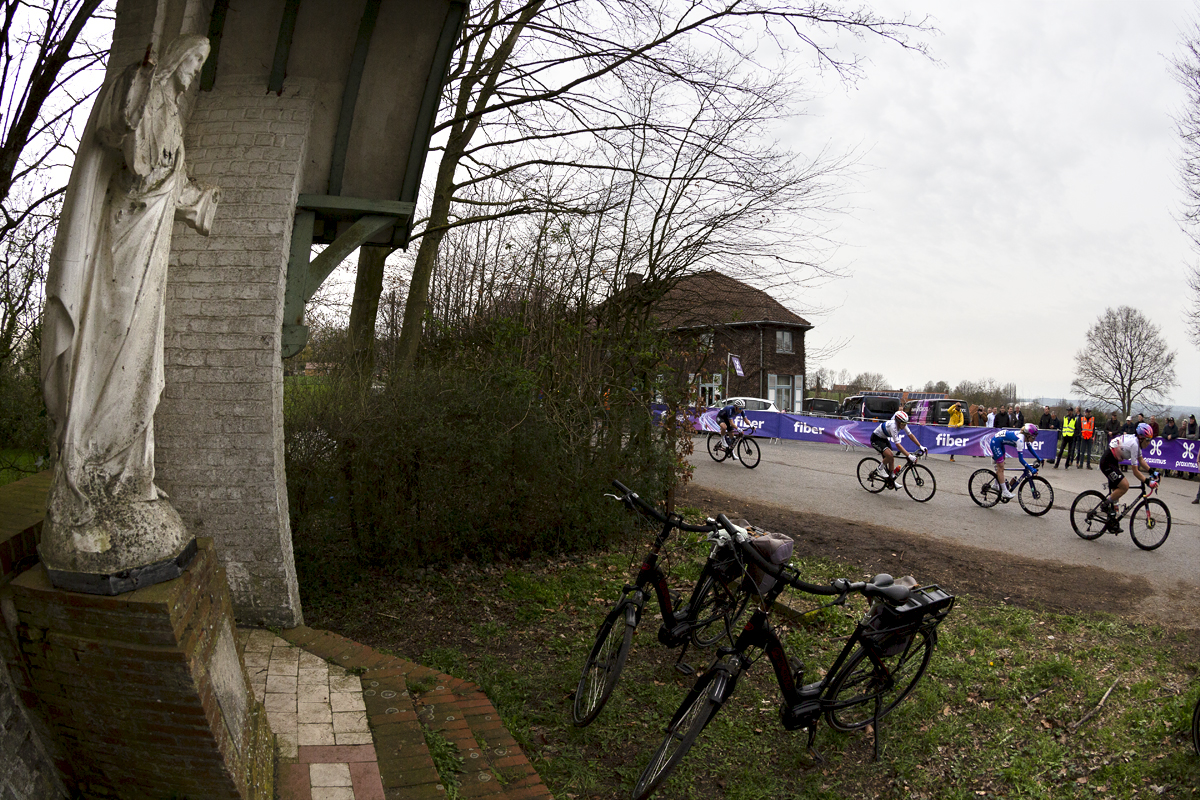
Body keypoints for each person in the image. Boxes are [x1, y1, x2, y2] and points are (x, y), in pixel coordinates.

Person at [41, 36, 218, 542]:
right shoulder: (139, 90)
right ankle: (88, 461)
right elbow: (125, 145)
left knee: (141, 359)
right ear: (176, 57)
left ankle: (128, 474)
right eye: (193, 60)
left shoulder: (175, 120)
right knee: (109, 345)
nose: (194, 72)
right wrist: (139, 86)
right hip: (123, 244)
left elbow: (172, 180)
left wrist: (201, 200)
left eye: (201, 65)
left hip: (151, 256)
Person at [1097, 423, 1158, 521]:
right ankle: (1105, 505)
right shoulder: (1134, 444)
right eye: (1148, 440)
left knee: (1117, 490)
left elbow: (1141, 460)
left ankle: (1112, 519)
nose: (1149, 443)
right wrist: (1147, 482)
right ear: (1141, 438)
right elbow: (1135, 471)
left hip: (1112, 460)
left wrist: (1152, 472)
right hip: (1107, 462)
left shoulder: (1137, 443)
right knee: (1125, 486)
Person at [870, 410, 927, 484]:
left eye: (905, 423)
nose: (904, 425)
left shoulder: (902, 424)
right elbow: (898, 445)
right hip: (876, 439)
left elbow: (911, 435)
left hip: (883, 438)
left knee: (891, 458)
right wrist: (909, 455)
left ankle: (891, 480)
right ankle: (880, 469)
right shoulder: (893, 426)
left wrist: (920, 446)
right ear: (898, 422)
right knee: (889, 455)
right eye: (903, 424)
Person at [990, 423, 1042, 500]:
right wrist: (1031, 469)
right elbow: (1021, 459)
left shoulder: (1025, 436)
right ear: (1028, 435)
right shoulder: (1020, 440)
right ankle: (1004, 492)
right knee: (1001, 467)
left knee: (1000, 466)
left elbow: (1029, 448)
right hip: (996, 443)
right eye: (1033, 437)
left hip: (1000, 442)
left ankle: (996, 484)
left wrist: (1039, 458)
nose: (1034, 439)